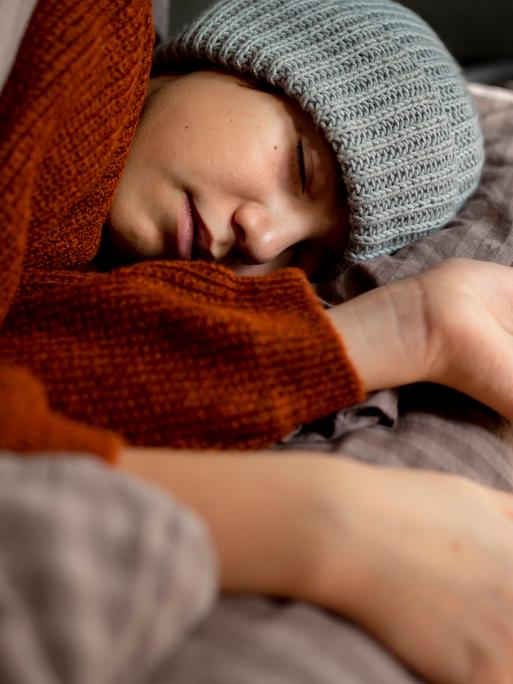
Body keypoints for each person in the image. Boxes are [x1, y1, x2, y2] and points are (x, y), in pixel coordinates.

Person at [2, 0, 513, 682]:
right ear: (229, 60)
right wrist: (317, 525)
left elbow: (34, 365)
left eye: (303, 255)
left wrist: (401, 328)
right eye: (301, 168)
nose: (263, 240)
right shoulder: (75, 37)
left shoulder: (80, 268)